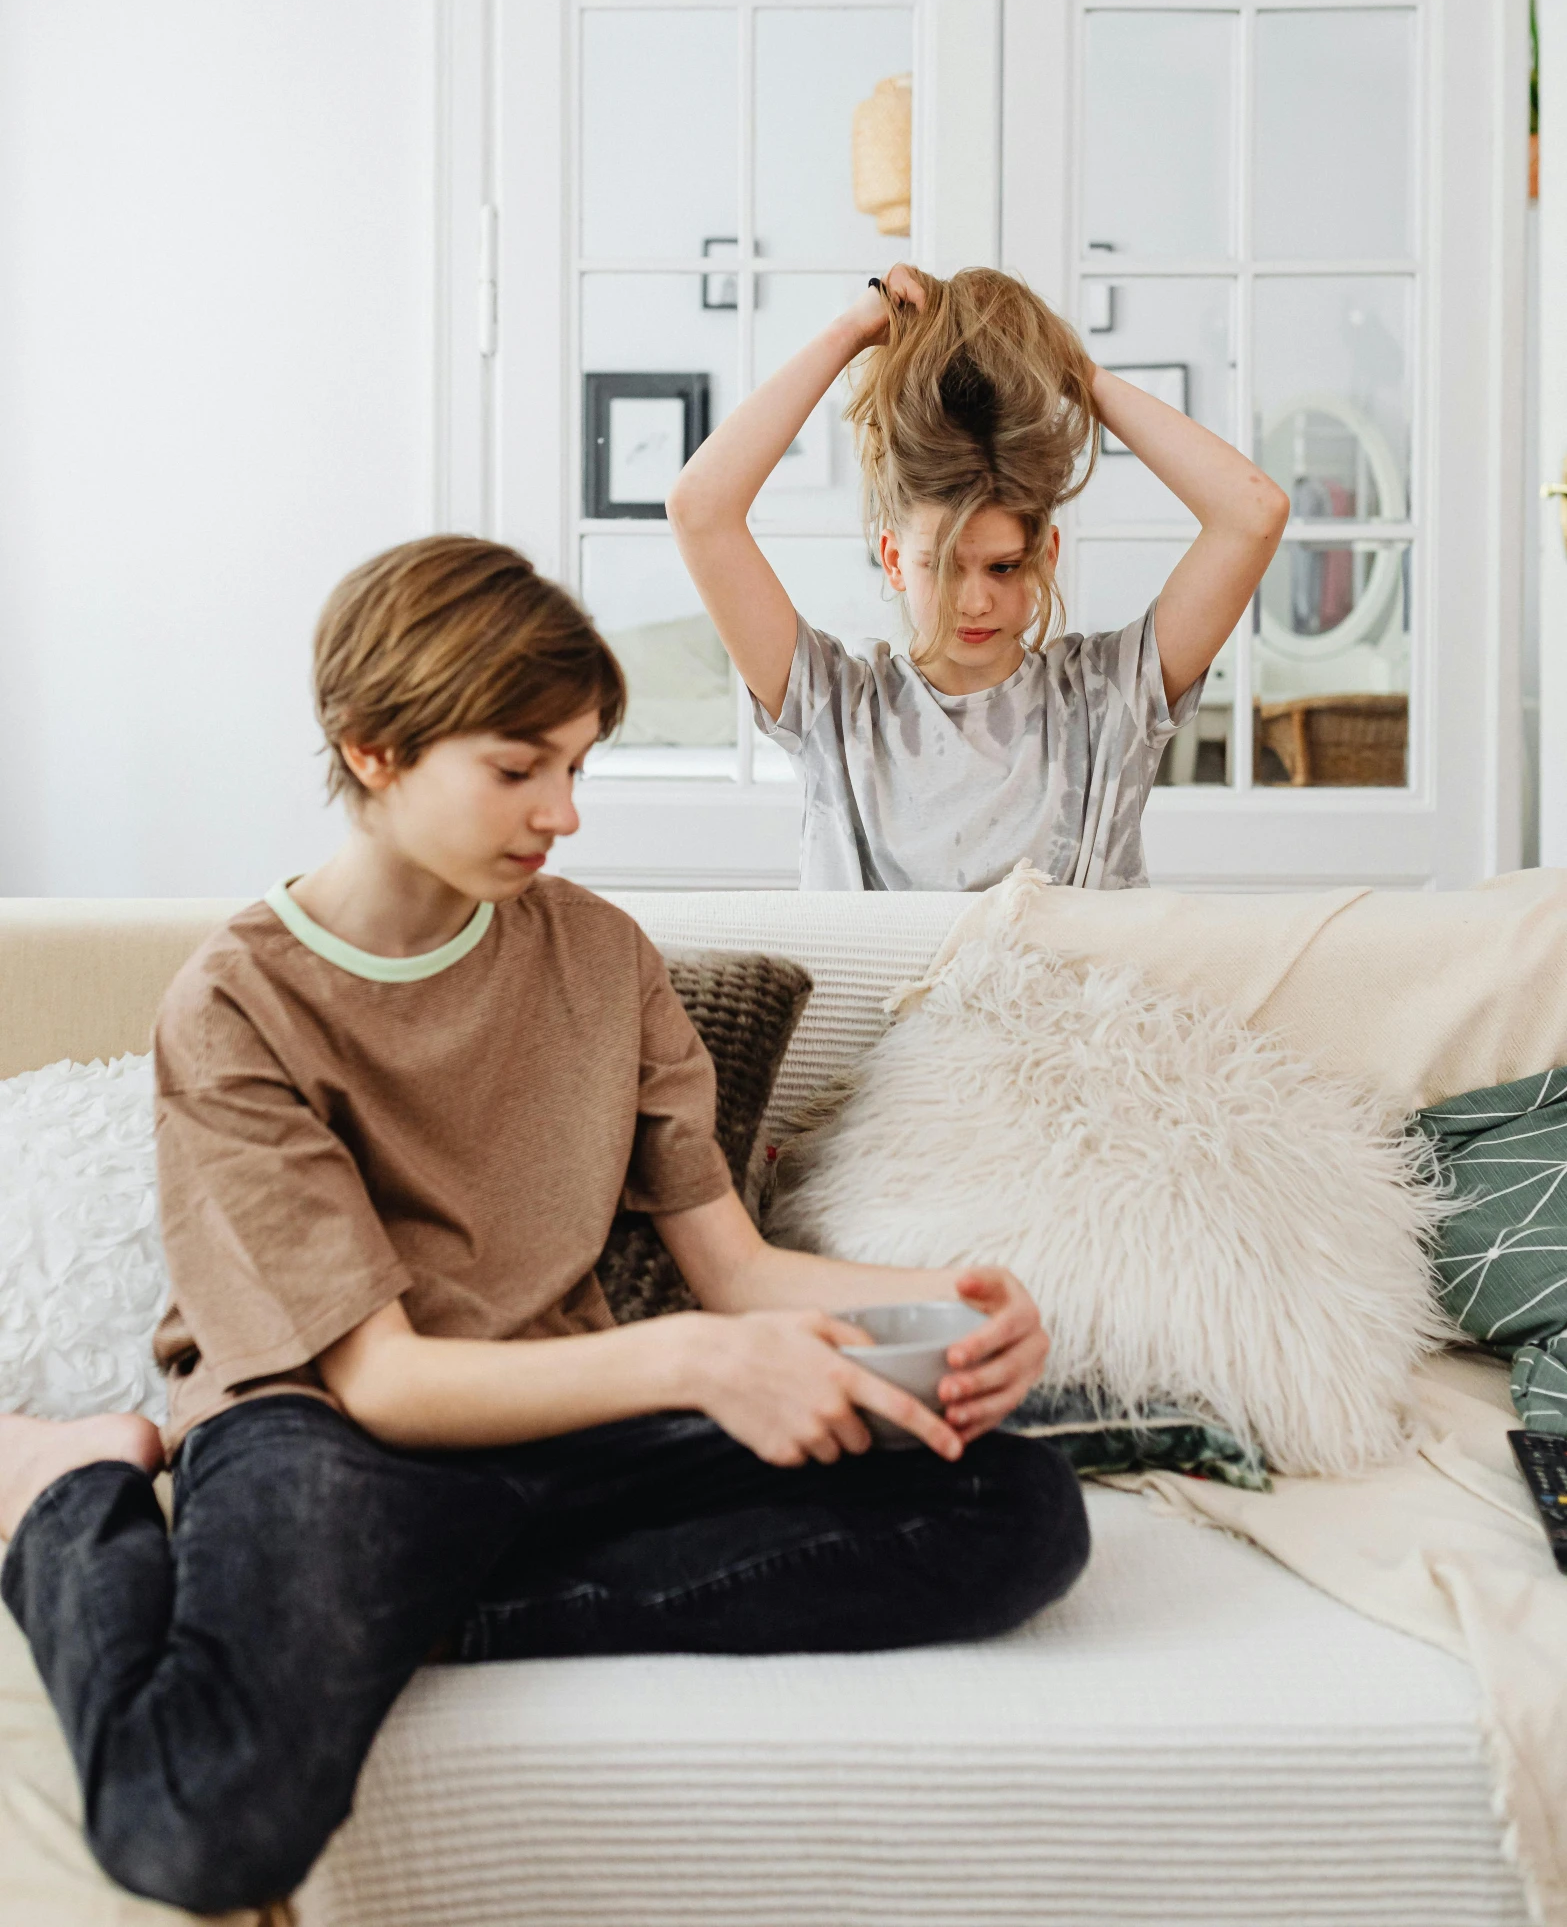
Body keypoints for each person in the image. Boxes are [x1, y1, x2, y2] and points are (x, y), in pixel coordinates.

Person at [0, 535, 1088, 1916]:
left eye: (577, 765)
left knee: (1010, 1505)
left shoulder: (601, 956)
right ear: (376, 748)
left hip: (572, 1433)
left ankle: (406, 1616)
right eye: (519, 767)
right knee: (198, 1829)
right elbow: (383, 1378)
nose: (562, 811)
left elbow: (732, 1267)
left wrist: (962, 1298)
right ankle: (67, 1493)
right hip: (333, 1438)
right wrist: (698, 1362)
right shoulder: (235, 1008)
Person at [668, 265, 1290, 891]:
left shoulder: (1108, 700)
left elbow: (1253, 514)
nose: (975, 601)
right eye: (941, 566)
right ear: (892, 559)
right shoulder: (834, 707)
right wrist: (851, 333)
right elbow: (700, 510)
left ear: (1046, 553)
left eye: (1004, 566)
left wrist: (1078, 374)